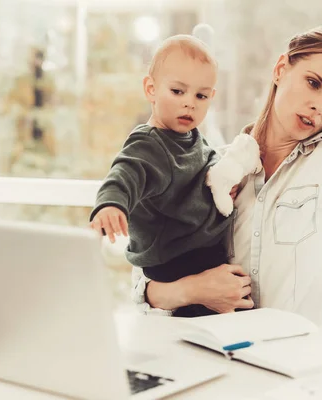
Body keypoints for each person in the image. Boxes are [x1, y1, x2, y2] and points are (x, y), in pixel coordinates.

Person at [131, 25, 322, 325]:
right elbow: (144, 285)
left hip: (306, 364)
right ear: (280, 70)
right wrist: (194, 290)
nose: (319, 105)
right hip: (225, 360)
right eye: (314, 83)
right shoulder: (218, 167)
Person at [89, 35, 258, 318]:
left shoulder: (193, 138)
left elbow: (207, 167)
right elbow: (124, 173)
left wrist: (225, 184)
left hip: (202, 258)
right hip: (175, 264)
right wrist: (111, 204)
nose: (189, 103)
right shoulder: (148, 144)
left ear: (211, 98)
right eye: (178, 91)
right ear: (151, 89)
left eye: (200, 96)